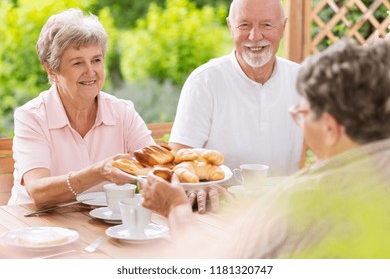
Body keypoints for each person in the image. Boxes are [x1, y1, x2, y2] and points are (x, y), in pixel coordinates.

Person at [141, 38, 390, 258]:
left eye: (303, 114)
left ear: (330, 128)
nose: (299, 122)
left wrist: (175, 210)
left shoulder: (301, 202)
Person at [9, 9, 155, 209]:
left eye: (96, 60)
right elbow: (38, 191)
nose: (90, 72)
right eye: (78, 63)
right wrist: (98, 172)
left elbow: (156, 166)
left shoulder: (123, 112)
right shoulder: (32, 117)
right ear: (51, 69)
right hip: (37, 226)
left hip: (101, 223)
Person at [169, 0, 304, 177]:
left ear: (283, 27)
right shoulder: (204, 81)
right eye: (244, 25)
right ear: (230, 27)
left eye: (266, 25)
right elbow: (179, 158)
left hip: (285, 202)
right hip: (222, 202)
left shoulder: (302, 80)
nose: (254, 36)